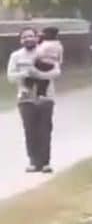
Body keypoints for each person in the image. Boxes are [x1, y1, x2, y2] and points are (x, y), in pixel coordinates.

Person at [6, 27, 60, 173]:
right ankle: (34, 162)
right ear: (20, 40)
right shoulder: (16, 56)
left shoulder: (47, 54)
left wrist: (37, 74)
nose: (28, 39)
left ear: (37, 38)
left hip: (46, 97)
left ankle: (45, 162)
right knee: (30, 131)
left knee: (45, 130)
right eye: (25, 37)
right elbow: (10, 76)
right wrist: (24, 74)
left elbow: (56, 72)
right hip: (25, 98)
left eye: (31, 36)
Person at [30, 26, 63, 100]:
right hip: (52, 67)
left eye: (45, 34)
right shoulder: (58, 45)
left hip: (44, 66)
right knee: (46, 84)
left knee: (42, 82)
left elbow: (37, 54)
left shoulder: (46, 44)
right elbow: (60, 60)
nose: (43, 35)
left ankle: (40, 95)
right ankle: (42, 96)